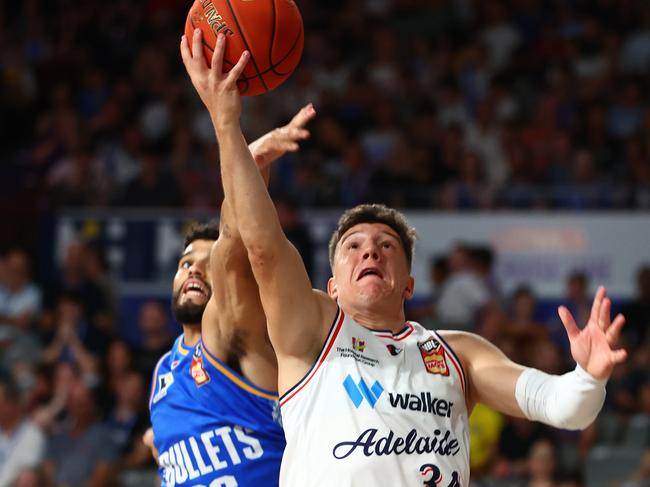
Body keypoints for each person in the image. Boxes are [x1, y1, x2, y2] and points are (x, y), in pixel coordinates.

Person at [185, 30, 629, 486]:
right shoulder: (314, 329)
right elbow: (263, 247)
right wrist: (226, 124)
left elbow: (562, 406)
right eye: (353, 247)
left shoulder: (458, 354)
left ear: (409, 284)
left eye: (386, 246)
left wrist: (588, 378)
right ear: (332, 286)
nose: (370, 250)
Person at [147, 64, 316, 485]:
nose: (194, 271)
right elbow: (167, 441)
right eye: (186, 262)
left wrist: (241, 144)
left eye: (206, 265)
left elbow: (234, 237)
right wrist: (158, 444)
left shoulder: (228, 334)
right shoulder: (163, 371)